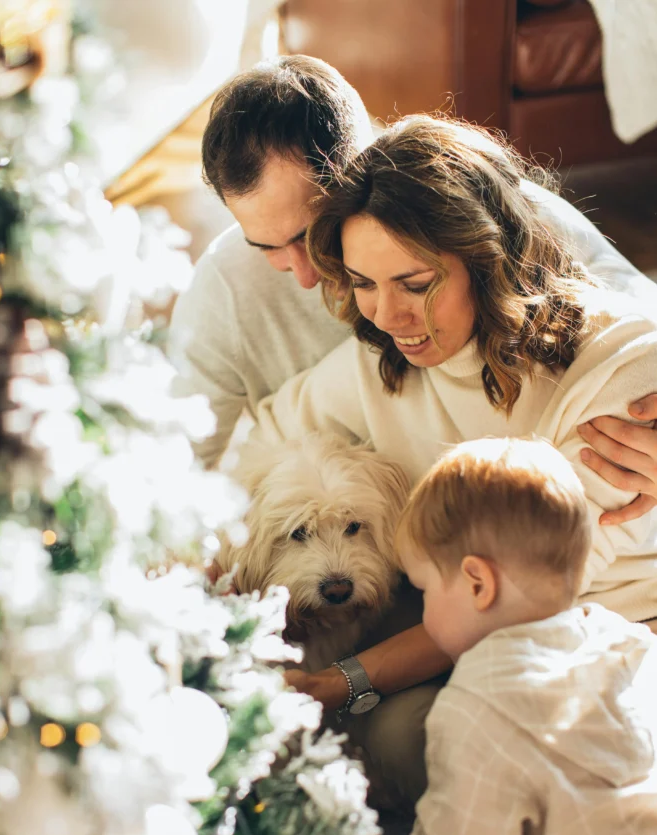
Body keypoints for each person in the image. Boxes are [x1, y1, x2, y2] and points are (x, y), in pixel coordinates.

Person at [247, 113, 657, 807]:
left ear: (486, 256)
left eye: (414, 284)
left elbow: (500, 595)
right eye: (363, 284)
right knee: (402, 742)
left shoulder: (621, 370)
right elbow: (253, 442)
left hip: (618, 637)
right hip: (485, 645)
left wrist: (341, 680)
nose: (387, 315)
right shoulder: (380, 362)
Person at [170, 55, 657, 529]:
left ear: (365, 171)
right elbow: (173, 467)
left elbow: (633, 322)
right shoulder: (223, 290)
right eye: (266, 247)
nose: (303, 275)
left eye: (309, 234)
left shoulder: (487, 212)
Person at [396, 436, 657, 835]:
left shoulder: (475, 704)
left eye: (423, 591)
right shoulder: (628, 640)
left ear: (477, 583)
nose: (423, 611)